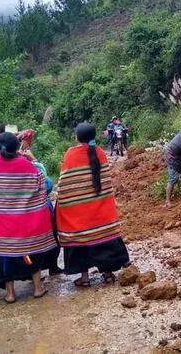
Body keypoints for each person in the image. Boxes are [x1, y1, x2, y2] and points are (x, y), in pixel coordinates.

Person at [0, 133, 56, 303]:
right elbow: (44, 184)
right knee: (31, 254)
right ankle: (38, 288)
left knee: (7, 256)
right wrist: (33, 159)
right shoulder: (26, 165)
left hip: (3, 224)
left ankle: (10, 294)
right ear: (17, 148)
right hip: (25, 223)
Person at [56, 123, 130, 287]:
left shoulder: (71, 154)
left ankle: (85, 278)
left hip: (80, 214)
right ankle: (109, 274)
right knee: (103, 239)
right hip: (101, 211)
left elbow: (64, 183)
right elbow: (105, 181)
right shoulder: (100, 152)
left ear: (76, 137)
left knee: (82, 242)